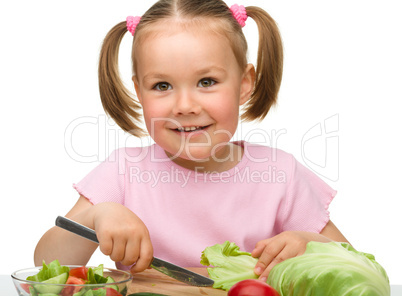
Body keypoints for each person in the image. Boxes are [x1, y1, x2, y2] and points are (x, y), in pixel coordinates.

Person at [34, 0, 349, 283]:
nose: (184, 105)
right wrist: (96, 215)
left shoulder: (280, 174)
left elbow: (353, 262)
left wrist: (310, 245)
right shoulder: (122, 172)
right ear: (139, 92)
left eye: (207, 82)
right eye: (162, 85)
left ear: (244, 84)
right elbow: (46, 263)